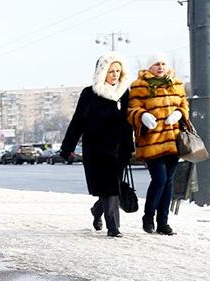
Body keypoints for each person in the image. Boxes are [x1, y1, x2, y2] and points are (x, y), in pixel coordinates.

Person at [60, 52, 134, 237]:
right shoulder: (89, 94)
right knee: (108, 186)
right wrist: (67, 148)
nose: (115, 74)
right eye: (111, 71)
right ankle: (113, 227)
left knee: (112, 187)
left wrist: (130, 146)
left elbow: (129, 122)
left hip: (119, 150)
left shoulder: (124, 93)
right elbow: (77, 121)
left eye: (118, 70)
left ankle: (96, 210)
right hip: (96, 150)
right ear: (102, 72)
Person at [127, 52, 188, 235]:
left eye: (163, 63)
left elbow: (184, 105)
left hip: (173, 140)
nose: (160, 66)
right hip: (152, 141)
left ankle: (163, 223)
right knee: (160, 179)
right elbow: (131, 110)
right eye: (156, 64)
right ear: (149, 67)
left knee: (168, 182)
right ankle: (148, 217)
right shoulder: (139, 85)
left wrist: (179, 113)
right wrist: (142, 116)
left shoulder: (176, 83)